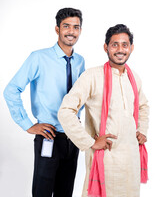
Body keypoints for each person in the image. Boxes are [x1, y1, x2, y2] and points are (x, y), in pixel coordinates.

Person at [58, 24, 149, 197]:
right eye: (115, 44)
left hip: (131, 160)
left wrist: (141, 130)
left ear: (131, 48)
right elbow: (65, 110)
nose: (120, 49)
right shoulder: (92, 76)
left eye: (124, 44)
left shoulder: (134, 77)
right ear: (106, 47)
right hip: (105, 160)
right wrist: (90, 142)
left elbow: (143, 105)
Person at [3, 7, 85, 197]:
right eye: (66, 26)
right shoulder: (38, 58)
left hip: (72, 137)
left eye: (76, 27)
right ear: (57, 29)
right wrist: (28, 124)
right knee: (42, 192)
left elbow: (83, 97)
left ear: (80, 30)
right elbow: (11, 90)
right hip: (49, 135)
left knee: (65, 191)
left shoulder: (80, 61)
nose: (71, 31)